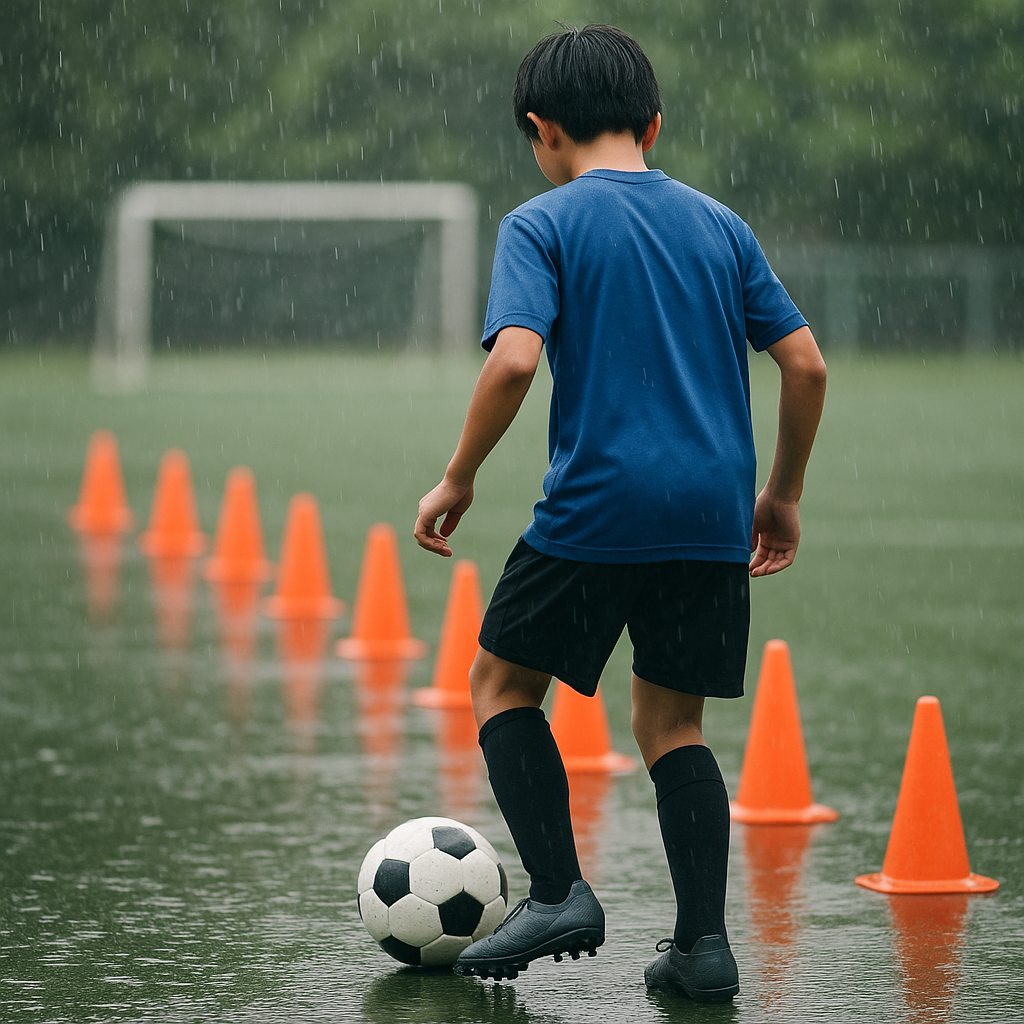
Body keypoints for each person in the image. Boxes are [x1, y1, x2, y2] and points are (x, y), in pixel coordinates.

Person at [413, 24, 826, 1003]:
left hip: (598, 505)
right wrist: (783, 495)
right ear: (652, 123)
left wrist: (459, 475)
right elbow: (803, 361)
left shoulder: (542, 224)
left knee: (502, 684)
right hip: (711, 514)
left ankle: (558, 891)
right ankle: (701, 948)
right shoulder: (719, 224)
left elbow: (514, 358)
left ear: (539, 129)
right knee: (672, 722)